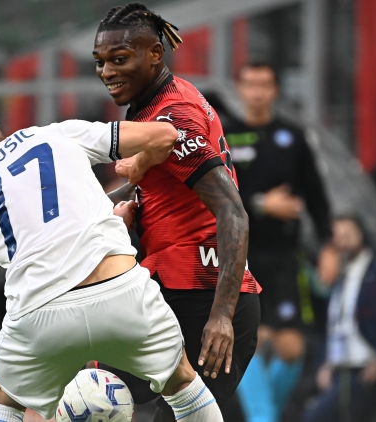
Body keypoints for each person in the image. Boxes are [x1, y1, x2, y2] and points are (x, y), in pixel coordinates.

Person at [0, 113, 226, 422]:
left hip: (38, 312)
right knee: (182, 381)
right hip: (119, 291)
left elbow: (31, 236)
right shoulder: (53, 134)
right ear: (2, 138)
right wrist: (137, 168)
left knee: (2, 400)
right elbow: (165, 135)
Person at [92, 4, 260, 421]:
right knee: (95, 393)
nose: (107, 72)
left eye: (119, 59)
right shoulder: (160, 102)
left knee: (97, 395)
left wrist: (221, 316)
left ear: (155, 54)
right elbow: (174, 183)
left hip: (204, 300)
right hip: (170, 290)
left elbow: (233, 213)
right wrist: (127, 204)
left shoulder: (174, 115)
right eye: (100, 61)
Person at [222, 61, 336, 421]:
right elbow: (215, 194)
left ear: (275, 91)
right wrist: (261, 203)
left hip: (286, 257)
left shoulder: (293, 137)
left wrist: (329, 245)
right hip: (240, 255)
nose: (257, 92)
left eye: (264, 85)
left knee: (291, 348)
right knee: (254, 340)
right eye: (250, 84)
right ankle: (263, 418)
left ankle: (265, 414)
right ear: (240, 89)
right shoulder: (225, 136)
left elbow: (317, 197)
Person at [304, 216, 376, 422]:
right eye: (338, 237)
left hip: (367, 371)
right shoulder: (338, 279)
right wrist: (325, 362)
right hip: (338, 371)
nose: (343, 241)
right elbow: (333, 327)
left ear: (362, 235)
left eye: (348, 234)